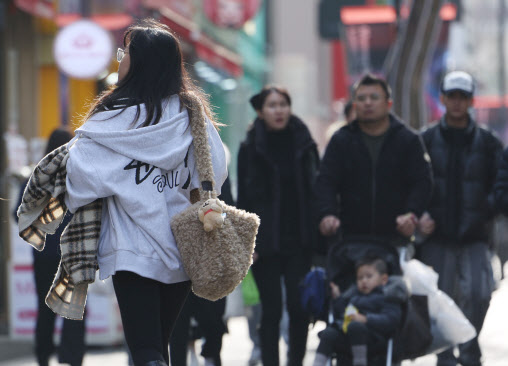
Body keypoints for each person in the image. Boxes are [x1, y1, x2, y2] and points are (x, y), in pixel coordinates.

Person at [63, 19, 227, 366]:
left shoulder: (114, 119)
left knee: (146, 350)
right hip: (181, 246)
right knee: (159, 344)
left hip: (131, 249)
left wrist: (121, 182)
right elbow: (216, 170)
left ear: (139, 62)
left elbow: (78, 175)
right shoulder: (192, 113)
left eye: (124, 53)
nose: (119, 59)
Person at [314, 73, 433, 289]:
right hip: (350, 242)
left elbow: (422, 182)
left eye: (374, 97)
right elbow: (326, 181)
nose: (367, 103)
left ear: (388, 104)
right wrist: (327, 214)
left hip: (395, 241)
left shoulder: (408, 140)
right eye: (361, 98)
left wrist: (411, 214)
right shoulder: (341, 140)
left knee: (393, 306)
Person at [418, 70, 502, 366]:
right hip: (436, 235)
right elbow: (413, 183)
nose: (456, 102)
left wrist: (486, 210)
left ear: (471, 101)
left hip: (475, 235)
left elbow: (501, 183)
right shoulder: (424, 140)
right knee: (439, 299)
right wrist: (420, 215)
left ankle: (468, 347)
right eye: (451, 96)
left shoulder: (490, 144)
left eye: (462, 97)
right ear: (442, 98)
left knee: (479, 294)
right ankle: (445, 355)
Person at [236, 85, 320, 366]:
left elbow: (315, 190)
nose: (279, 110)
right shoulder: (250, 147)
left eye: (283, 104)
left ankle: (296, 361)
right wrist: (248, 243)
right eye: (272, 105)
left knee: (298, 309)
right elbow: (243, 200)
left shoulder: (304, 142)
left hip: (299, 240)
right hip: (265, 242)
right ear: (260, 112)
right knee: (270, 311)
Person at [14, 128, 86, 366]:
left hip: (43, 255)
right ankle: (72, 359)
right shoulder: (78, 177)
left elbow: (19, 215)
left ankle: (42, 358)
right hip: (72, 253)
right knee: (72, 308)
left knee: (44, 309)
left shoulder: (36, 177)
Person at [313, 256, 402, 366]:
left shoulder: (388, 296)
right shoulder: (354, 295)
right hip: (349, 337)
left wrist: (365, 319)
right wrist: (338, 298)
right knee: (329, 332)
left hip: (374, 338)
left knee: (356, 326)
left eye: (369, 276)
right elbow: (342, 312)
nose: (364, 281)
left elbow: (391, 319)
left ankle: (360, 363)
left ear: (383, 279)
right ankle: (318, 363)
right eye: (360, 278)